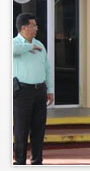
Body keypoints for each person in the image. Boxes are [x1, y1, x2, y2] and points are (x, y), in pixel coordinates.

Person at [13, 13, 54, 165]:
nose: (36, 28)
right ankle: (20, 162)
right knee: (21, 130)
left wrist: (50, 90)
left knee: (38, 129)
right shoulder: (14, 43)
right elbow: (12, 50)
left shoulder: (40, 45)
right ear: (24, 27)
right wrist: (30, 46)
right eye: (33, 25)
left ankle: (37, 161)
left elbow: (47, 68)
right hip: (22, 92)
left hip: (39, 91)